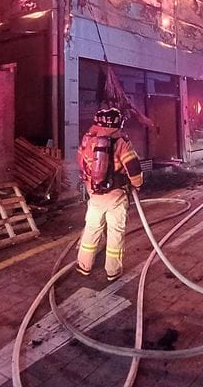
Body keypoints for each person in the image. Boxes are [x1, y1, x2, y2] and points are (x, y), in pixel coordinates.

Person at [76, 107, 144, 281]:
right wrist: (137, 185)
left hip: (95, 195)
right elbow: (133, 168)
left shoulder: (87, 139)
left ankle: (84, 265)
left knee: (92, 229)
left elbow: (82, 165)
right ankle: (112, 270)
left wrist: (90, 187)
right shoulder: (121, 142)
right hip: (116, 196)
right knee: (115, 231)